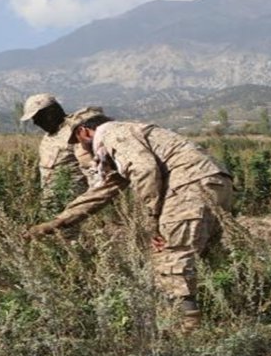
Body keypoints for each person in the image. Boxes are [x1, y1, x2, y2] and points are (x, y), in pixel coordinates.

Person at [25, 113, 234, 331]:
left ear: (84, 132)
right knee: (201, 255)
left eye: (79, 143)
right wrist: (59, 222)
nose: (82, 150)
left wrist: (153, 219)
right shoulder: (128, 138)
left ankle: (187, 328)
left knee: (171, 254)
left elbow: (144, 170)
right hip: (215, 182)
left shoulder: (113, 133)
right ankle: (221, 311)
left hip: (189, 186)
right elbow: (103, 191)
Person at [19, 93, 101, 209]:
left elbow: (93, 170)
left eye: (38, 117)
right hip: (52, 203)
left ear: (51, 112)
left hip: (73, 204)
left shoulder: (75, 133)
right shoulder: (50, 134)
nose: (35, 122)